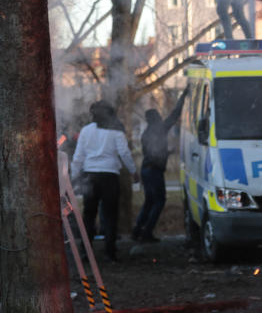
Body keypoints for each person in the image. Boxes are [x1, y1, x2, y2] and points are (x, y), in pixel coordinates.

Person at [71, 100, 138, 262]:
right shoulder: (116, 131)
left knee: (89, 214)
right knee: (110, 214)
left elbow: (78, 156)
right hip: (109, 176)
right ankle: (110, 251)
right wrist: (133, 171)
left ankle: (86, 252)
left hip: (90, 176)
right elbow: (124, 153)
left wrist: (73, 176)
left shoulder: (86, 131)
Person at [132, 90, 188, 242]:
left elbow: (152, 153)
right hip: (154, 171)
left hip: (146, 169)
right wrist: (183, 96)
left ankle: (137, 230)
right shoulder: (160, 129)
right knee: (159, 201)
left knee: (149, 201)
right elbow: (175, 114)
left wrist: (167, 152)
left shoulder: (146, 133)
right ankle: (147, 232)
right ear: (156, 118)